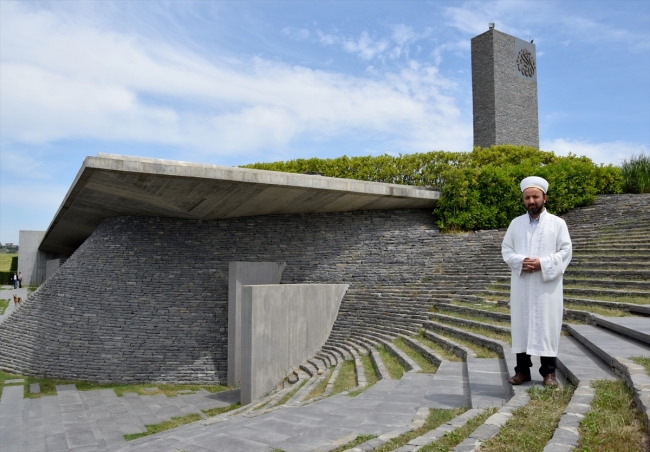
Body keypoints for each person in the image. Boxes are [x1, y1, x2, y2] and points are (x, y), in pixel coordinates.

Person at [501, 176, 572, 387]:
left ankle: (549, 373)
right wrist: (522, 261)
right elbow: (506, 250)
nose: (531, 201)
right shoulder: (516, 224)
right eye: (527, 197)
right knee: (521, 325)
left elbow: (566, 251)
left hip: (546, 286)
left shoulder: (558, 224)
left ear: (544, 198)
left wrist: (543, 264)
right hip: (522, 284)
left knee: (547, 325)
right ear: (523, 200)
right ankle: (522, 372)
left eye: (535, 196)